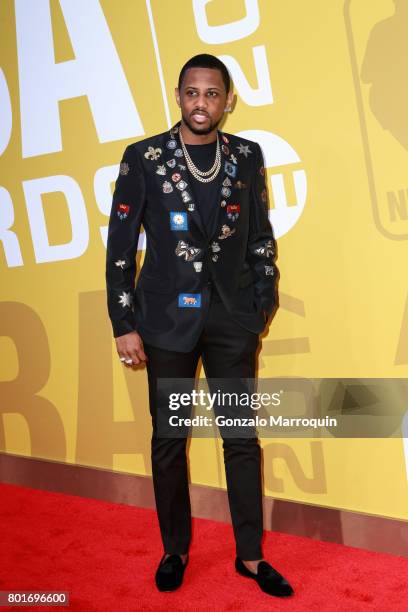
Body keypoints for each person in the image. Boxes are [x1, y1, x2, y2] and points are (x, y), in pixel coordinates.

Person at [105, 54, 294, 598]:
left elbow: (261, 236)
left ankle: (252, 557)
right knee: (169, 441)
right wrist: (124, 321)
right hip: (164, 326)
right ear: (178, 95)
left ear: (228, 100)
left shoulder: (248, 157)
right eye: (192, 92)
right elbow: (121, 249)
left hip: (233, 322)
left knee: (241, 441)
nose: (201, 103)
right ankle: (175, 549)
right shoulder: (144, 159)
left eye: (213, 94)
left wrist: (261, 305)